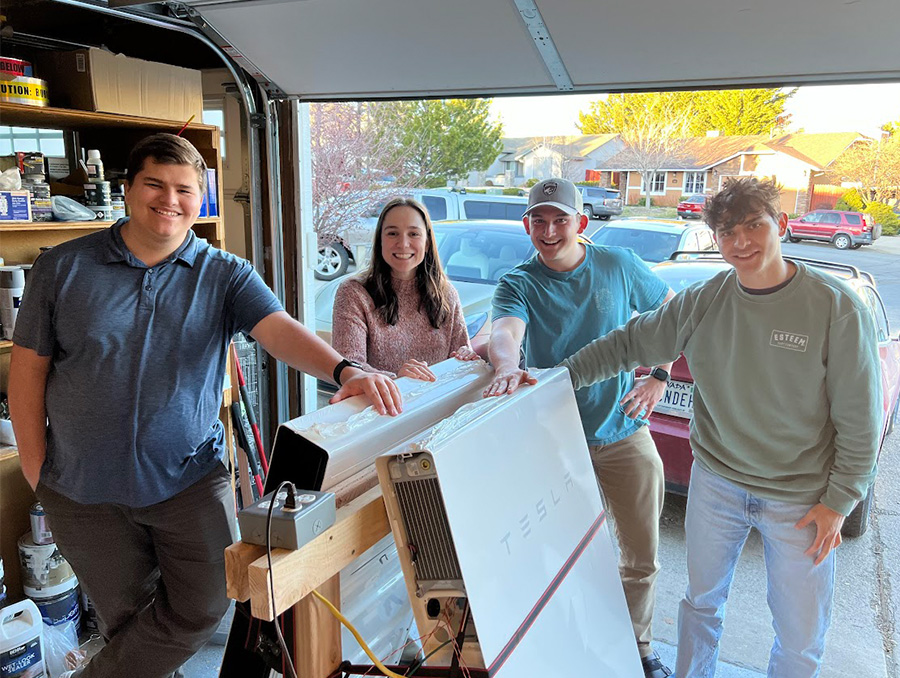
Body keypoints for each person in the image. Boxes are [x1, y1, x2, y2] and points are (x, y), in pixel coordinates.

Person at [8, 133, 402, 678]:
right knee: (127, 621)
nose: (170, 199)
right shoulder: (64, 268)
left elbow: (278, 331)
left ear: (202, 199)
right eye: (155, 184)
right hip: (82, 489)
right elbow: (28, 370)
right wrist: (37, 468)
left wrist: (344, 370)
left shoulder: (223, 273)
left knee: (207, 603)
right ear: (127, 189)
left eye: (185, 190)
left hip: (187, 480)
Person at [558, 177, 881, 678]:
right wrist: (554, 383)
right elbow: (627, 342)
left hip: (800, 497)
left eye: (755, 225)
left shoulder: (835, 308)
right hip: (718, 484)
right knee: (700, 607)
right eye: (728, 232)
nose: (742, 242)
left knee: (799, 639)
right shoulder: (705, 300)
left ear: (783, 225)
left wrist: (840, 501)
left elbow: (860, 419)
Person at [483, 177, 676, 678]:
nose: (549, 230)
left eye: (560, 219)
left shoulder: (618, 266)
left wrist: (660, 374)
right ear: (527, 225)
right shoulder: (518, 282)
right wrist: (505, 365)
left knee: (641, 554)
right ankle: (567, 645)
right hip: (552, 438)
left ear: (581, 223)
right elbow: (506, 331)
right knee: (556, 553)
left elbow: (674, 314)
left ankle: (638, 646)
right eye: (539, 220)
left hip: (623, 432)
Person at [332, 196, 478, 381]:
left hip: (439, 406)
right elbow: (350, 366)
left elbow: (460, 358)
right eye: (392, 233)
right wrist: (397, 380)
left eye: (414, 234)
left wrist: (465, 357)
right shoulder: (354, 293)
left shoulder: (446, 294)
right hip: (379, 406)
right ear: (380, 240)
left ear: (427, 243)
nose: (403, 243)